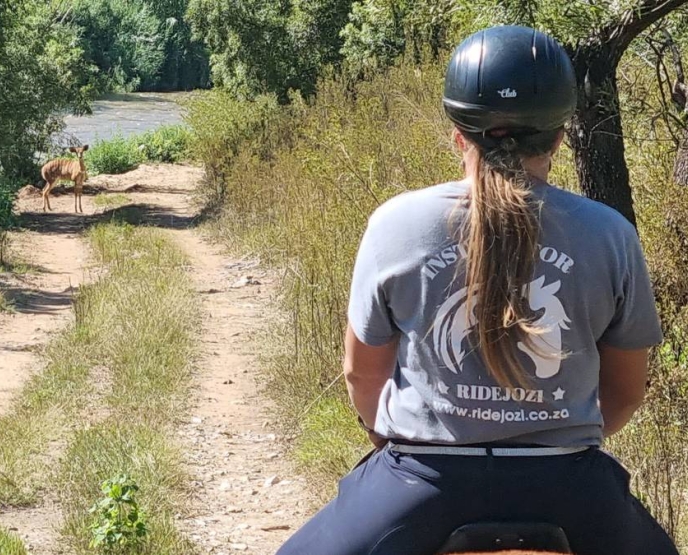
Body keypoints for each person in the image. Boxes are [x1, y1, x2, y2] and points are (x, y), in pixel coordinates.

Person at [276, 25, 679, 555]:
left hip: (421, 480)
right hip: (570, 484)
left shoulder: (397, 224)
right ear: (559, 135)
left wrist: (394, 448)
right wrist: (553, 437)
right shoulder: (609, 234)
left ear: (457, 131)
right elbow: (626, 392)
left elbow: (361, 373)